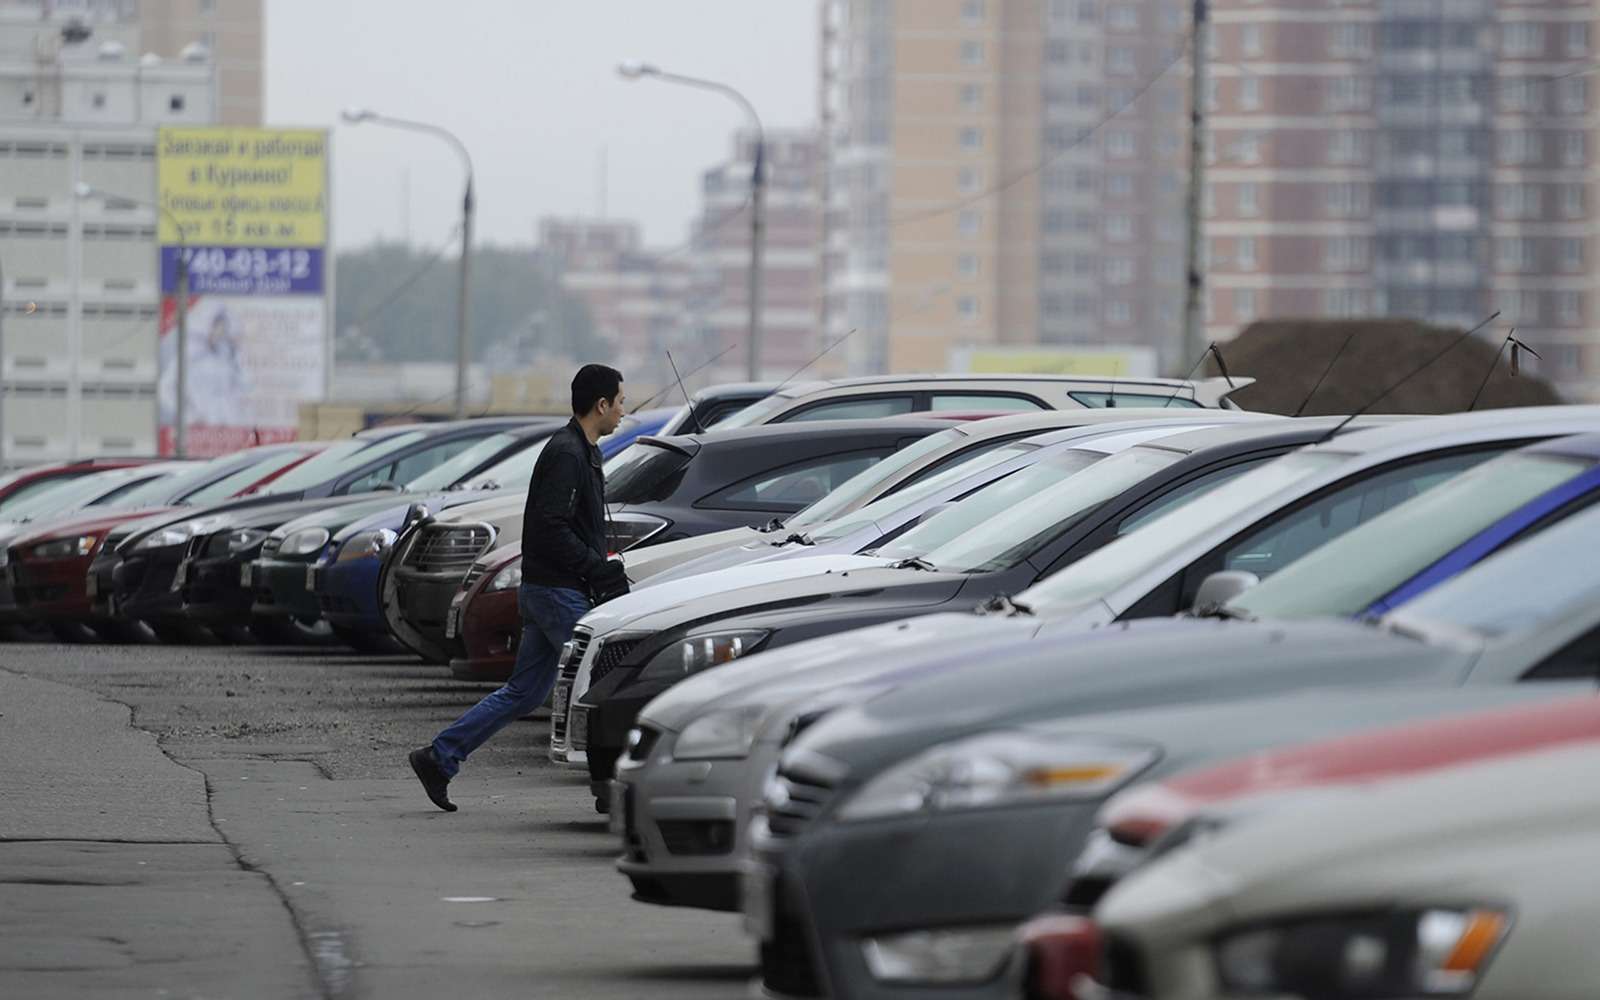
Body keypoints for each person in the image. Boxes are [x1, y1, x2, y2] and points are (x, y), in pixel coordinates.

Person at [409, 364, 630, 812]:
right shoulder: (567, 453)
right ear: (601, 404)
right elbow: (550, 526)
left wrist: (600, 564)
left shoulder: (584, 451)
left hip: (552, 589)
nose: (624, 411)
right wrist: (593, 567)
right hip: (556, 593)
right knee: (602, 679)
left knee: (525, 692)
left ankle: (439, 757)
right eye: (621, 401)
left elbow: (573, 524)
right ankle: (615, 786)